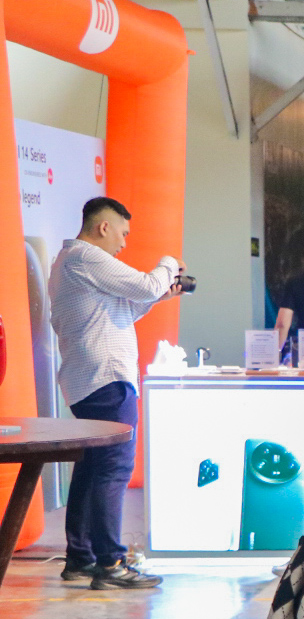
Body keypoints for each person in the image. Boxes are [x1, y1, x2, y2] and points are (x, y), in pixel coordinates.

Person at [50, 196, 184, 590]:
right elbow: (145, 284)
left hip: (89, 380)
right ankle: (110, 563)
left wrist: (161, 295)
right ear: (103, 227)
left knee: (92, 470)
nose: (124, 244)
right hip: (106, 379)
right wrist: (168, 263)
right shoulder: (86, 256)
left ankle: (81, 558)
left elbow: (123, 309)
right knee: (113, 469)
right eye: (123, 234)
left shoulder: (68, 262)